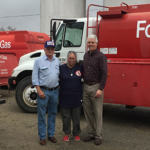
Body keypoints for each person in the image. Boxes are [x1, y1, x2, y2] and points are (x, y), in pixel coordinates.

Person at [32, 40, 60, 146]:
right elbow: (34, 78)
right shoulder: (38, 61)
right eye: (48, 49)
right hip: (43, 91)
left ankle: (51, 135)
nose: (50, 50)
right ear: (44, 49)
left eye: (52, 49)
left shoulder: (57, 61)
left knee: (53, 114)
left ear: (54, 50)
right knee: (42, 115)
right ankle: (42, 137)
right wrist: (39, 90)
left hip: (54, 91)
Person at [82, 34, 107, 145]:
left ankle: (98, 135)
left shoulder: (101, 56)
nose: (90, 44)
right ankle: (91, 133)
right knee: (87, 112)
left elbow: (104, 74)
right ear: (87, 44)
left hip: (96, 87)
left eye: (92, 42)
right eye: (89, 42)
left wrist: (100, 89)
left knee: (97, 112)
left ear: (96, 43)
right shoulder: (85, 56)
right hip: (86, 86)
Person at [59, 51, 83, 142]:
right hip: (64, 96)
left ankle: (76, 133)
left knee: (76, 117)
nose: (71, 60)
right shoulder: (61, 68)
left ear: (75, 59)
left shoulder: (80, 68)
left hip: (76, 96)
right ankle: (66, 133)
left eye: (73, 58)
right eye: (70, 58)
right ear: (67, 58)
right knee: (66, 117)